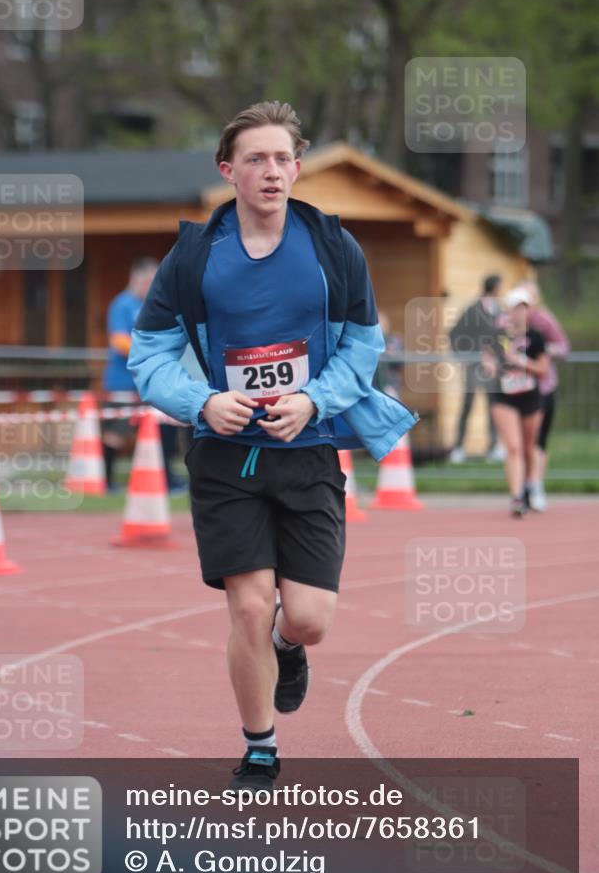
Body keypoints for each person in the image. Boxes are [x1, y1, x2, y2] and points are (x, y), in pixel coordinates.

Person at [128, 101, 417, 788]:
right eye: (255, 159)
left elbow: (362, 346)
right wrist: (202, 402)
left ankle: (290, 647)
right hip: (224, 457)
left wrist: (313, 399)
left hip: (308, 450)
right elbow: (148, 354)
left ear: (297, 167)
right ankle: (260, 746)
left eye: (283, 158)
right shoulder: (195, 256)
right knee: (250, 605)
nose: (271, 171)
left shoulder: (333, 249)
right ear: (228, 170)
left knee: (308, 619)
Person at [102, 258, 187, 494]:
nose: (152, 285)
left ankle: (166, 478)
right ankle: (106, 480)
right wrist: (149, 352)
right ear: (137, 279)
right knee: (116, 432)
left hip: (150, 382)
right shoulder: (123, 304)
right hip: (122, 381)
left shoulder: (155, 304)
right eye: (149, 280)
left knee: (163, 428)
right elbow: (118, 341)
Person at [482, 287, 548, 517]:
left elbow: (543, 369)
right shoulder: (497, 335)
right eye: (516, 308)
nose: (519, 312)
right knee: (513, 447)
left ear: (529, 311)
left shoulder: (536, 337)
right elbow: (487, 357)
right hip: (504, 397)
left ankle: (531, 487)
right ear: (508, 310)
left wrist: (521, 362)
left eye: (523, 308)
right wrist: (489, 364)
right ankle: (517, 497)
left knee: (529, 448)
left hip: (530, 398)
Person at [520, 279, 570, 512]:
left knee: (538, 441)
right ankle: (521, 488)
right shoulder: (509, 322)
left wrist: (545, 349)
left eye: (529, 298)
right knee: (520, 443)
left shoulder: (544, 321)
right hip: (517, 391)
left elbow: (564, 347)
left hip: (542, 388)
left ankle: (536, 485)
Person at [448, 274, 503, 463]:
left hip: (492, 368)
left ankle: (493, 447)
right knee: (468, 405)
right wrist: (467, 358)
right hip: (474, 366)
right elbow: (454, 334)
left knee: (494, 406)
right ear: (494, 288)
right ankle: (458, 448)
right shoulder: (473, 310)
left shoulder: (498, 310)